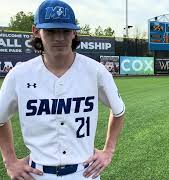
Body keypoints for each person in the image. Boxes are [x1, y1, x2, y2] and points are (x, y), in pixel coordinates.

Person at [0, 0, 125, 179]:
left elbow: (119, 111)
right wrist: (9, 161)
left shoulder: (95, 71)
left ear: (74, 32)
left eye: (65, 31)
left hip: (84, 172)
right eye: (51, 31)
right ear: (36, 31)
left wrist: (109, 150)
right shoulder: (19, 75)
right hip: (38, 173)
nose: (59, 38)